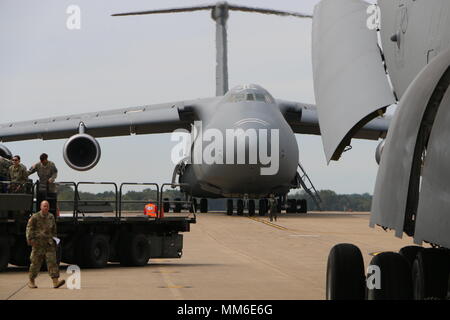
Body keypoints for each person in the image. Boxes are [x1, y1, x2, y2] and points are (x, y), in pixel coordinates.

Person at [26, 200, 65, 289]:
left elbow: (54, 230)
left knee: (52, 262)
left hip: (49, 243)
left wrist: (55, 240)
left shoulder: (51, 217)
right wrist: (30, 239)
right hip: (38, 244)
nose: (46, 208)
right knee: (35, 263)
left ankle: (55, 281)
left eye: (47, 206)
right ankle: (31, 281)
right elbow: (29, 228)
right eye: (44, 206)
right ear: (40, 207)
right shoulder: (35, 217)